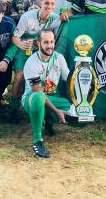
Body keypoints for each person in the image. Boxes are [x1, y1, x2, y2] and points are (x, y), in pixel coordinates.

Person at [10, 0, 61, 123]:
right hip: (25, 48)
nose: (49, 6)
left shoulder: (56, 18)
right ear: (40, 3)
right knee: (20, 76)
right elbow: (15, 37)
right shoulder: (27, 17)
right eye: (46, 3)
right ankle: (14, 109)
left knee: (45, 78)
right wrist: (22, 44)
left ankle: (42, 108)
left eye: (52, 4)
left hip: (41, 50)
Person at [23, 29, 70, 158]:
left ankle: (48, 121)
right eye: (46, 42)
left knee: (71, 109)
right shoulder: (31, 62)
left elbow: (69, 79)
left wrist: (84, 80)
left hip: (52, 97)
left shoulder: (59, 58)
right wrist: (56, 111)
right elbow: (38, 92)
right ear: (38, 43)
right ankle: (38, 141)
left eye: (52, 42)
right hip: (32, 98)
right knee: (39, 98)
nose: (50, 46)